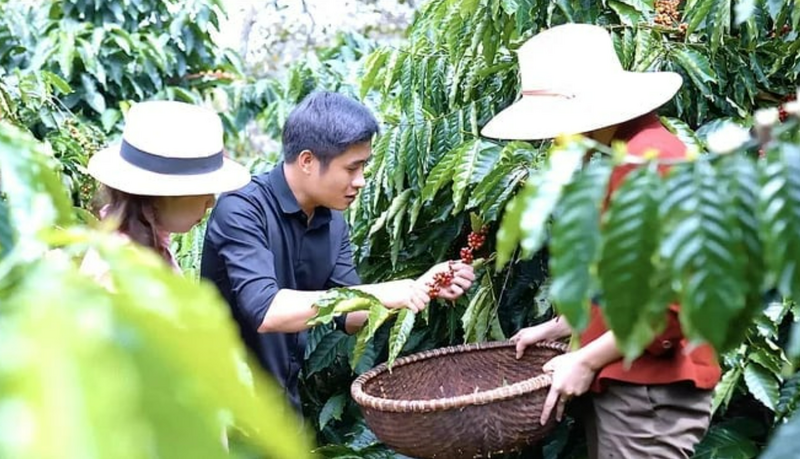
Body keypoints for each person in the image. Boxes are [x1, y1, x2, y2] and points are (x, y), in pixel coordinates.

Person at [481, 24, 721, 458]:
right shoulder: (629, 155)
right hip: (633, 388)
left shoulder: (648, 165)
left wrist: (585, 359)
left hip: (648, 396)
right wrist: (566, 325)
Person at [200, 91, 475, 412]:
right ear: (307, 161)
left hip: (280, 409)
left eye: (364, 167)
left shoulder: (331, 222)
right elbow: (267, 312)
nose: (360, 181)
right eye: (351, 168)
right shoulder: (242, 209)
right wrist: (384, 292)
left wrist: (422, 287)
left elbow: (352, 317)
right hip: (219, 410)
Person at [85, 100, 250, 275]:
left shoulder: (144, 246)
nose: (211, 203)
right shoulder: (124, 265)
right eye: (204, 191)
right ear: (161, 195)